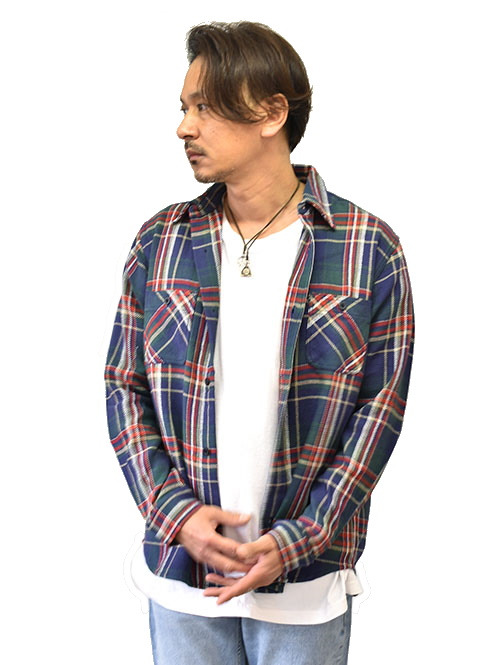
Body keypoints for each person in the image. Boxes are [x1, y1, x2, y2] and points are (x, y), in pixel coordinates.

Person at [105, 21, 414, 665]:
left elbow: (378, 411)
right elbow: (124, 388)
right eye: (183, 108)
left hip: (304, 589)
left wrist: (301, 538)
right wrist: (175, 514)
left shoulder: (367, 248)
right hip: (183, 584)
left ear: (273, 113)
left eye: (204, 108)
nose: (184, 128)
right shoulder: (160, 242)